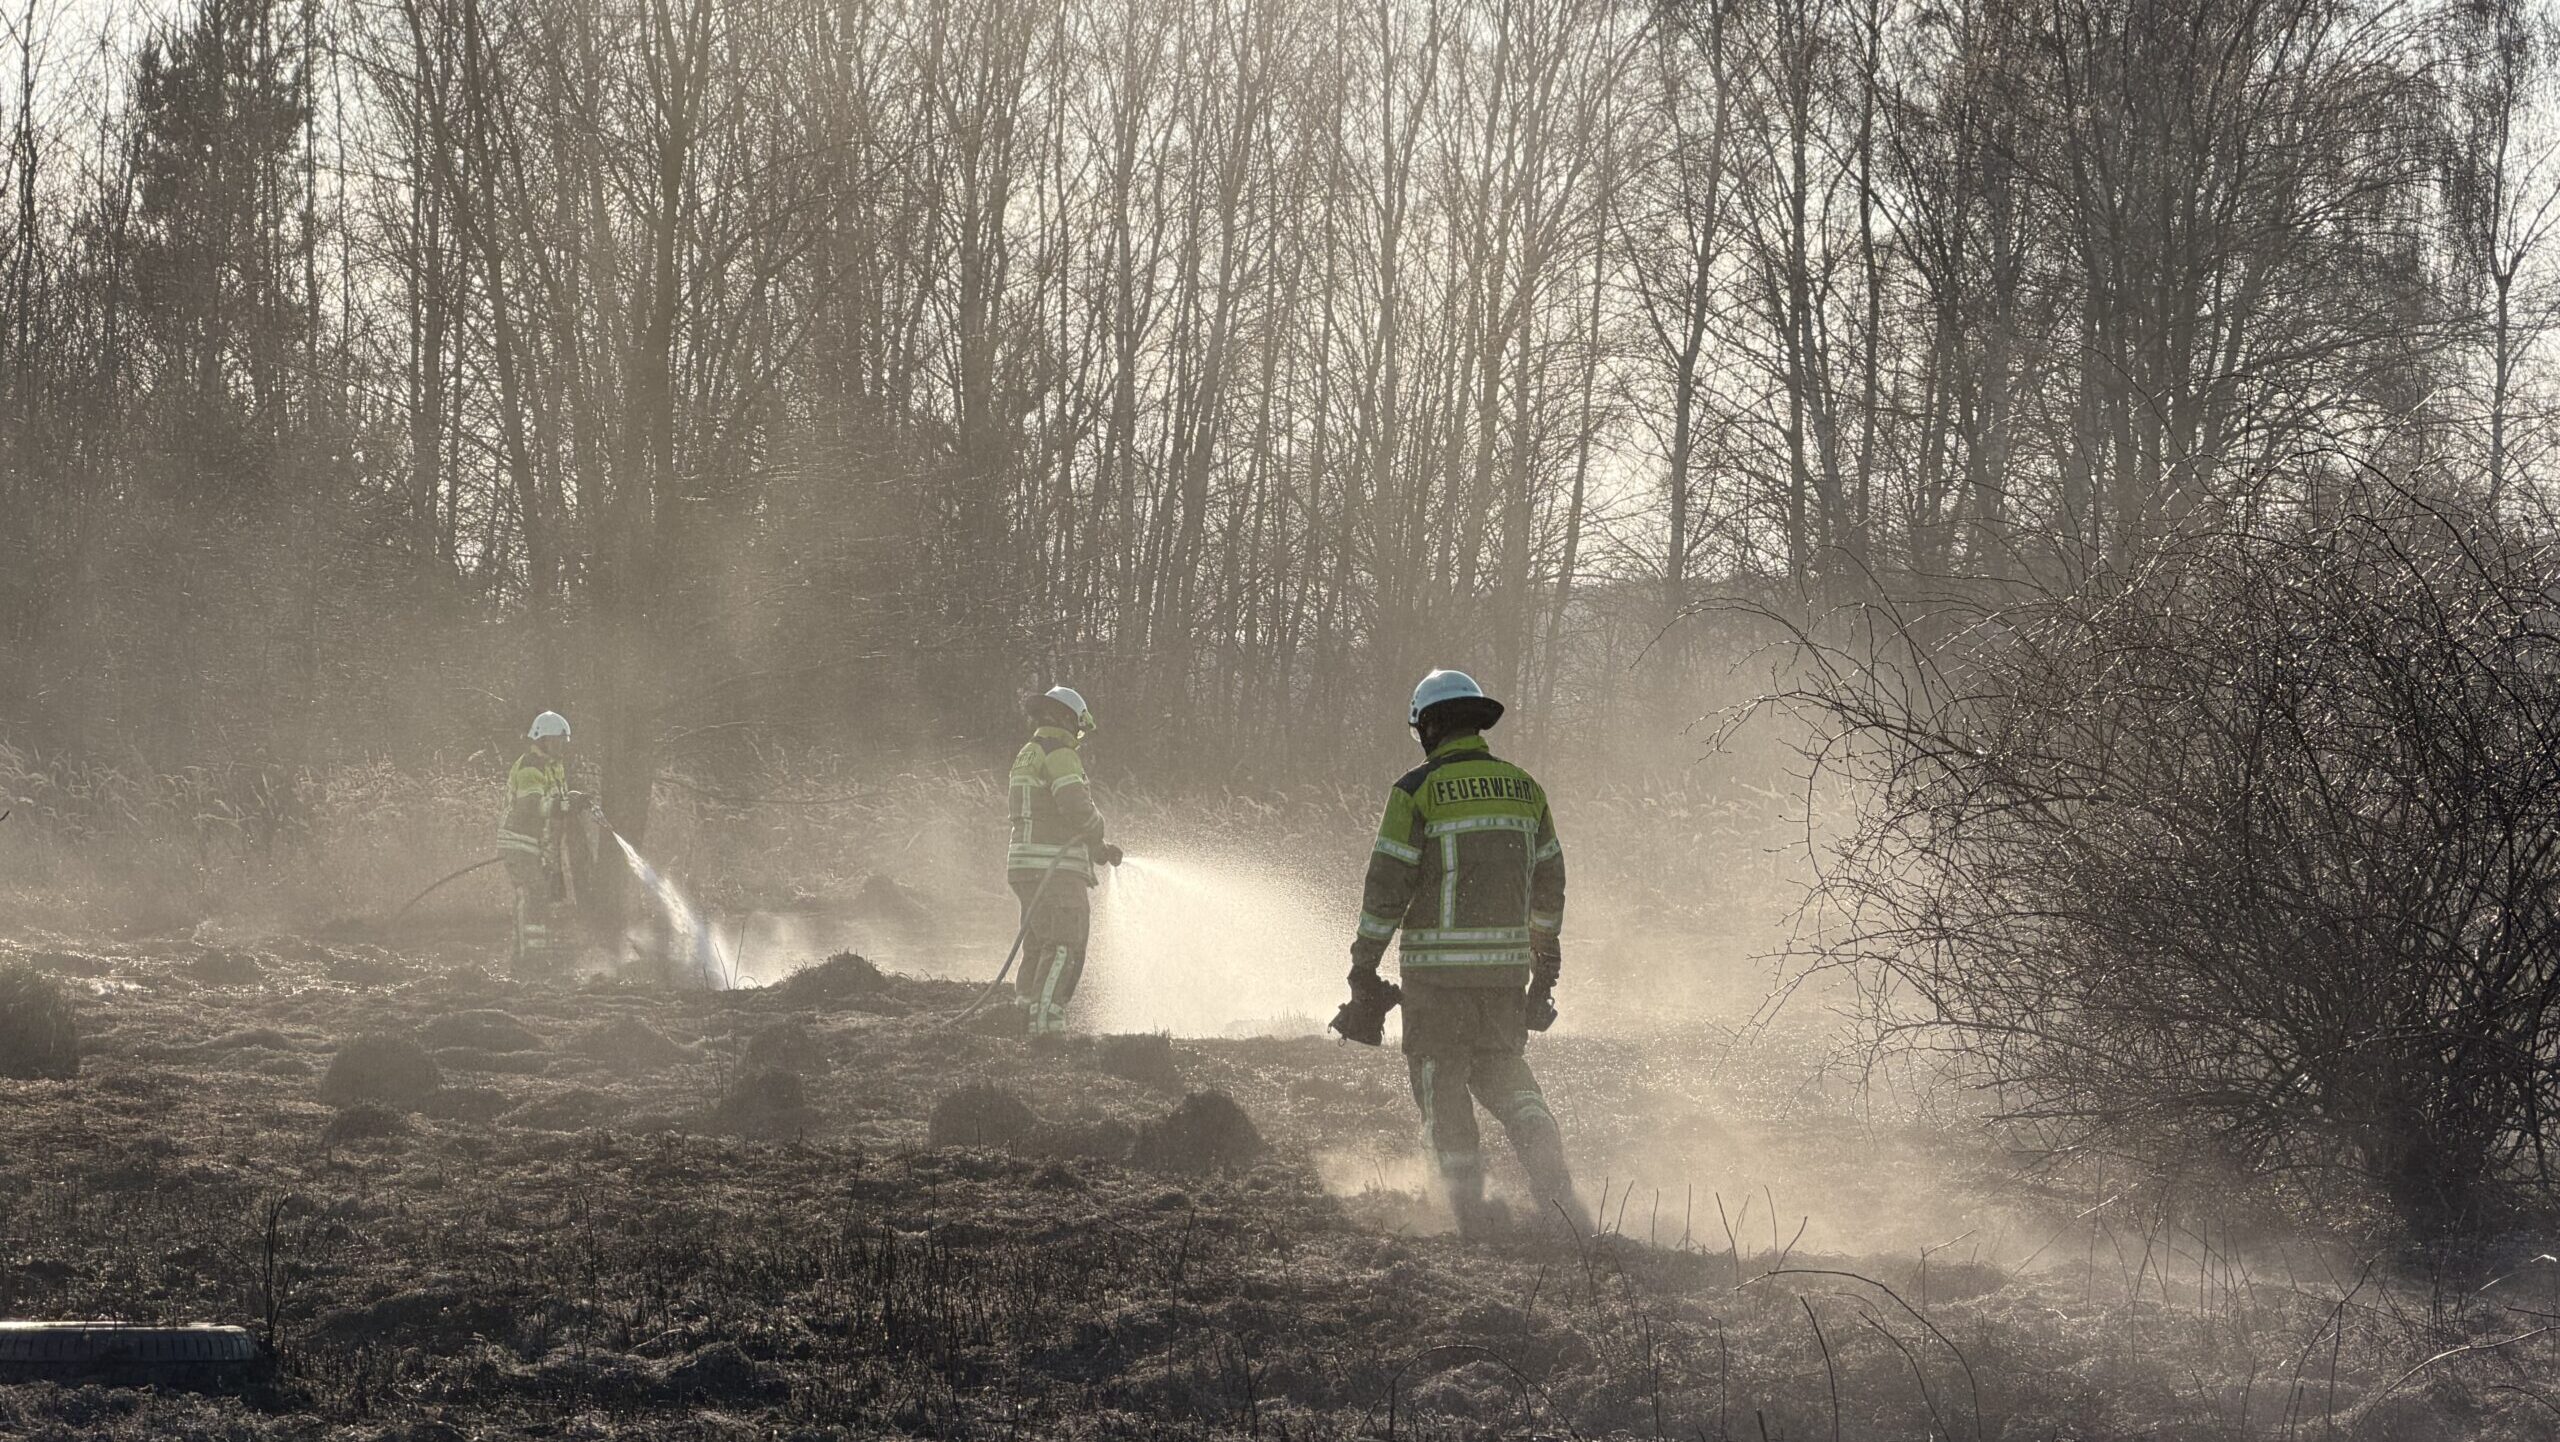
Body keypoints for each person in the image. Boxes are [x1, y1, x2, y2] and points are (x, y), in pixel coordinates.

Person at [1336, 669, 1591, 1237]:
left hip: (1436, 984)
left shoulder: (1415, 791)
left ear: (1428, 727)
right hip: (1504, 980)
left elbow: (1386, 890)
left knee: (1443, 1093)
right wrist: (1543, 972)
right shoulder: (1527, 790)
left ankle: (1468, 1217)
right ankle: (1561, 1202)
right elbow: (1549, 890)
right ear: (1476, 721)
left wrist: (1363, 965)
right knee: (1512, 1085)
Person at [1006, 686, 1121, 1037]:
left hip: (1026, 864)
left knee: (1039, 944)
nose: (1078, 736)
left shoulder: (1029, 752)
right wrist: (1097, 832)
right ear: (1068, 719)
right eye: (1078, 727)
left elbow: (1048, 812)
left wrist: (1097, 850)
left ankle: (1022, 1019)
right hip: (1053, 870)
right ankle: (1047, 1029)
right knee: (1065, 944)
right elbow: (1074, 805)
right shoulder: (1060, 753)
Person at [497, 711, 588, 979]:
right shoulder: (530, 767)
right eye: (557, 741)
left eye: (563, 741)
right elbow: (530, 808)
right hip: (518, 841)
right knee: (532, 892)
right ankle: (529, 962)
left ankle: (525, 959)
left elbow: (559, 801)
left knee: (542, 896)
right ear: (543, 739)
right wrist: (566, 804)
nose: (562, 746)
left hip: (537, 844)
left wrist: (574, 799)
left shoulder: (553, 766)